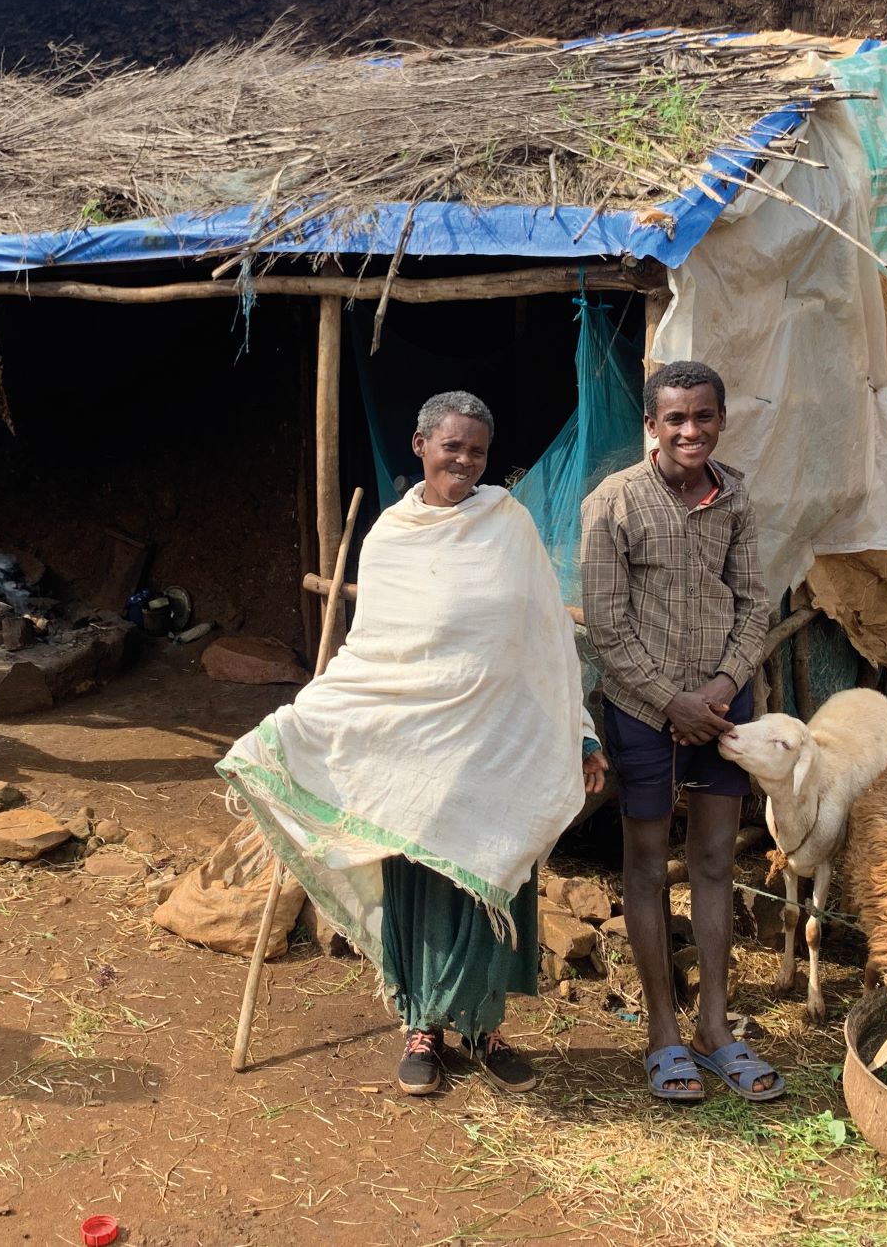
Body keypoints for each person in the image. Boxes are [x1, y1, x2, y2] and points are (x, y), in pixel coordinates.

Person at [218, 391, 605, 1097]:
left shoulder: (509, 525)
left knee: (493, 878)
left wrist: (579, 733)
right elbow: (372, 657)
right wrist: (295, 728)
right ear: (420, 444)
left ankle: (485, 1031)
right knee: (424, 888)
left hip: (495, 750)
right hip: (418, 757)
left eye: (478, 451)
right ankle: (422, 1027)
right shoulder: (392, 538)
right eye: (451, 446)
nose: (464, 460)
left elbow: (550, 640)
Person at [579, 359, 779, 1102]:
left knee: (717, 859)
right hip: (641, 711)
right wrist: (674, 702)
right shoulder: (615, 503)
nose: (690, 430)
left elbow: (756, 604)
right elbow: (605, 625)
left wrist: (722, 688)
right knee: (645, 862)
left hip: (722, 709)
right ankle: (663, 1030)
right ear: (652, 428)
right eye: (675, 419)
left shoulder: (736, 498)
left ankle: (716, 1027)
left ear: (721, 420)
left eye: (703, 416)